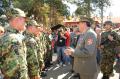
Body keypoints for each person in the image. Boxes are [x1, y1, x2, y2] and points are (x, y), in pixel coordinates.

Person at [0, 8, 29, 79]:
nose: (26, 22)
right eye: (24, 19)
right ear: (17, 19)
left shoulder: (17, 36)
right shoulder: (10, 38)